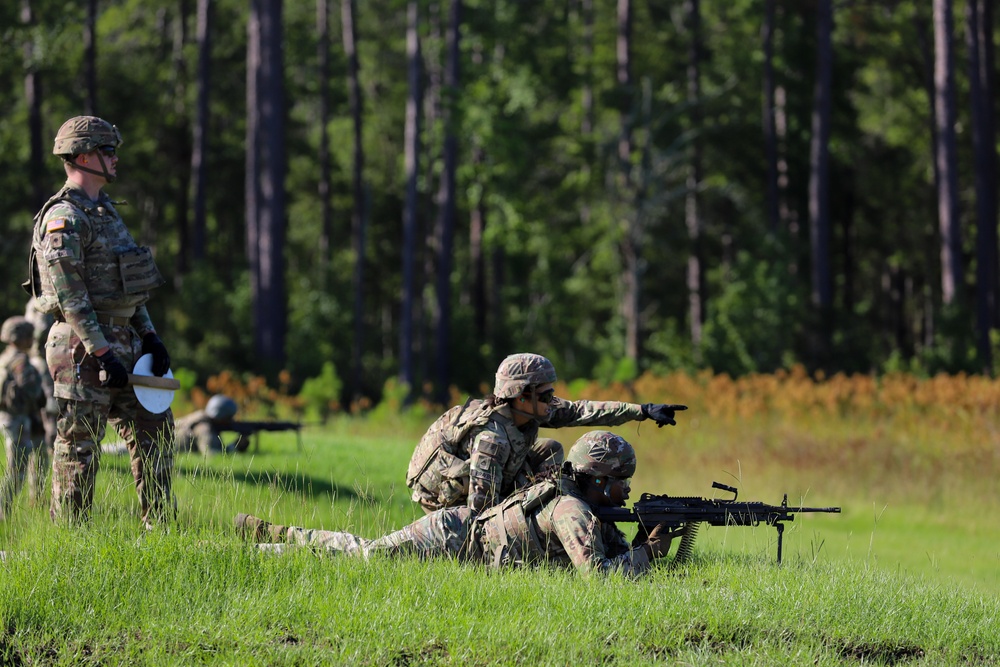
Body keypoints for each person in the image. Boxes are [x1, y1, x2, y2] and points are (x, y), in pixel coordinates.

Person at [235, 431, 680, 577]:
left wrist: (640, 544)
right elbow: (599, 578)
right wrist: (648, 555)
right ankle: (275, 545)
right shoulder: (571, 510)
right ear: (598, 480)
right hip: (455, 536)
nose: (627, 491)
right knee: (368, 556)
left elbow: (609, 555)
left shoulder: (583, 504)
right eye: (622, 482)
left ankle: (285, 537)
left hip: (469, 539)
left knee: (367, 553)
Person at [25, 115, 175, 527]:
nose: (115, 159)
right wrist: (102, 352)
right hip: (80, 347)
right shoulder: (65, 218)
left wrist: (150, 336)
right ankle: (70, 542)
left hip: (125, 340)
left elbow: (129, 285)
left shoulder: (106, 212)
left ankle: (160, 533)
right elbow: (71, 297)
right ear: (83, 155)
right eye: (108, 151)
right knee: (79, 445)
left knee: (157, 432)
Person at [406, 352, 686, 513]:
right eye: (546, 394)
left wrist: (643, 410)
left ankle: (536, 510)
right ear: (521, 396)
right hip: (449, 502)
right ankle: (530, 516)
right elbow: (479, 514)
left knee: (550, 448)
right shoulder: (491, 440)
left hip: (490, 478)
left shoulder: (529, 410)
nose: (552, 400)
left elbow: (581, 411)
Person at [0, 317, 45, 520]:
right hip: (19, 420)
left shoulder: (5, 358)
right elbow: (32, 389)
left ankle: (36, 503)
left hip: (11, 418)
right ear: (24, 338)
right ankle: (2, 510)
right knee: (17, 471)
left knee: (24, 463)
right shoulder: (20, 361)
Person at [23, 297, 57, 505]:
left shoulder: (33, 300)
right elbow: (40, 331)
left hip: (39, 361)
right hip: (45, 363)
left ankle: (40, 494)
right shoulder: (44, 299)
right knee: (48, 431)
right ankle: (42, 495)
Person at [174, 394, 248, 455]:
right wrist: (234, 447)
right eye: (229, 418)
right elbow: (210, 454)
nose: (232, 421)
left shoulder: (202, 419)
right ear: (221, 417)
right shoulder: (203, 428)